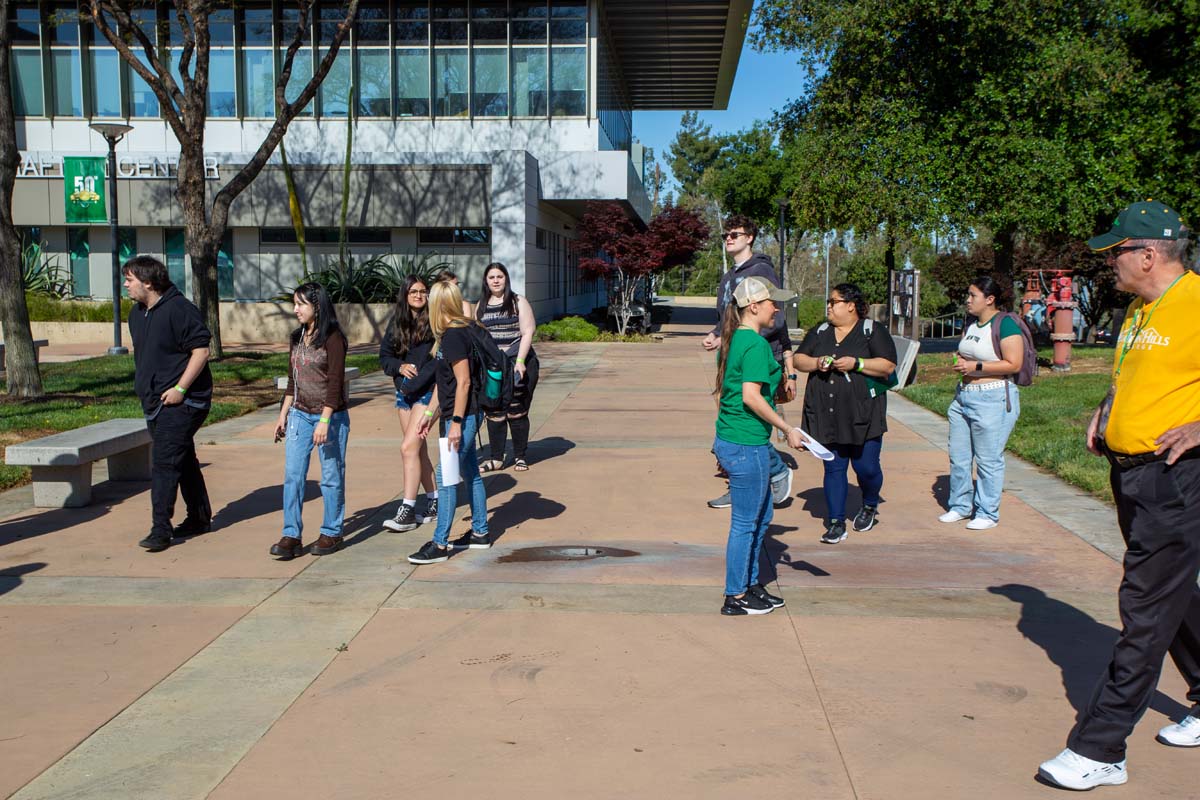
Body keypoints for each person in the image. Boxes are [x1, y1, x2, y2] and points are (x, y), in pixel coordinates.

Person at [1038, 201, 1200, 791]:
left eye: (1116, 253)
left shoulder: (1197, 304)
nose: (1109, 264)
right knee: (1171, 593)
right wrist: (1108, 410)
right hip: (1128, 472)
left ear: (1149, 255)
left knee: (1144, 607)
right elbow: (1134, 375)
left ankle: (1100, 746)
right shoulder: (1138, 308)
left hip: (1177, 478)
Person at [713, 277, 806, 615]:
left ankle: (750, 585)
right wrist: (787, 429)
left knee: (762, 515)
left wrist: (782, 386)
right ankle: (735, 596)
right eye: (771, 303)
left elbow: (742, 391)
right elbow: (750, 397)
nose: (776, 308)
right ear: (753, 307)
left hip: (740, 440)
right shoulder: (753, 344)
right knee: (746, 522)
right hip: (745, 443)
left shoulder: (737, 339)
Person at [703, 215, 796, 509]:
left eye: (735, 234)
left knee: (749, 423)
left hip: (756, 356)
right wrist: (717, 333)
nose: (729, 238)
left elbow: (774, 317)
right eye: (725, 235)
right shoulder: (730, 275)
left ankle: (775, 472)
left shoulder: (761, 271)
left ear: (750, 238)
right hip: (735, 354)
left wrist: (788, 368)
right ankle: (743, 483)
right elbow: (728, 316)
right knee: (733, 423)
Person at [794, 283, 897, 544]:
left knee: (867, 468)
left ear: (851, 305)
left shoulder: (871, 331)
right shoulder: (821, 331)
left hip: (864, 414)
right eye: (829, 302)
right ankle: (836, 522)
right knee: (834, 467)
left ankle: (870, 504)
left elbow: (887, 366)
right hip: (827, 413)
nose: (828, 306)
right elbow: (799, 360)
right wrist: (818, 363)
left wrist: (857, 363)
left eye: (833, 301)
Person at [123, 256, 213, 553]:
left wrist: (180, 388)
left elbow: (201, 351)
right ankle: (199, 517)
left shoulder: (179, 309)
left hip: (185, 401)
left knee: (164, 463)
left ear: (148, 282)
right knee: (182, 459)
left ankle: (160, 529)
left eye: (130, 279)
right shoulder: (137, 314)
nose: (126, 285)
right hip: (154, 402)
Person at [408, 280, 490, 564]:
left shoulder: (455, 335)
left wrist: (455, 422)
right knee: (471, 473)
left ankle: (440, 543)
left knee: (445, 477)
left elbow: (464, 382)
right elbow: (443, 384)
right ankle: (480, 532)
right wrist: (429, 416)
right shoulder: (450, 334)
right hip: (457, 415)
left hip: (464, 416)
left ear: (438, 304)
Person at [269, 282, 351, 559]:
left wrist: (325, 420)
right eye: (294, 303)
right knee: (293, 475)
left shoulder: (333, 337)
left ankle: (332, 531)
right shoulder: (297, 336)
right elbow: (293, 381)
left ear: (317, 306)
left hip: (332, 416)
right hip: (299, 415)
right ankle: (291, 534)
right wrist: (283, 414)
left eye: (301, 304)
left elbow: (336, 382)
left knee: (330, 476)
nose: (296, 310)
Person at [941, 275, 1025, 530]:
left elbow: (1014, 363)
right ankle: (960, 506)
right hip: (963, 397)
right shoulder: (971, 324)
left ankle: (987, 513)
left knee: (988, 459)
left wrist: (975, 366)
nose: (967, 300)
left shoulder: (1006, 324)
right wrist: (959, 360)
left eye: (973, 296)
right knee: (959, 456)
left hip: (993, 397)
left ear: (990, 300)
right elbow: (967, 351)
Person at [379, 275, 438, 532]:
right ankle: (436, 500)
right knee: (417, 451)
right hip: (404, 394)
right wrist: (400, 367)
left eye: (423, 291)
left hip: (426, 393)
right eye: (413, 291)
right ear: (405, 294)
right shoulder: (398, 323)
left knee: (407, 448)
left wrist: (421, 373)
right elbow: (384, 357)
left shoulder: (434, 320)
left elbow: (438, 360)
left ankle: (407, 509)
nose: (418, 295)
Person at [475, 262, 538, 472]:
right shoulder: (481, 305)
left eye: (499, 277)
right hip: (493, 366)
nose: (495, 281)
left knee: (516, 410)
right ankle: (496, 458)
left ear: (506, 278)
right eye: (491, 277)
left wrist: (520, 361)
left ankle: (520, 455)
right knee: (494, 410)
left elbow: (528, 331)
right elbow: (478, 336)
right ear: (486, 280)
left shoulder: (518, 301)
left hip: (517, 361)